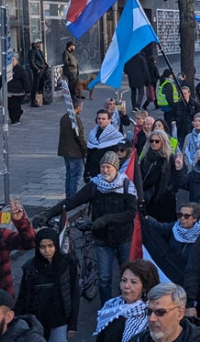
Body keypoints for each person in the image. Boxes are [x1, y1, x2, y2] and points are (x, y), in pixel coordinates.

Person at [45, 150, 138, 301]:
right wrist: (48, 213)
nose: (105, 170)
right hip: (102, 239)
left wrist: (107, 219)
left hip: (123, 238)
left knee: (127, 278)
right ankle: (106, 313)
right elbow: (72, 201)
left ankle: (125, 309)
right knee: (104, 279)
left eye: (109, 167)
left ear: (116, 168)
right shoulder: (95, 185)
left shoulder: (127, 186)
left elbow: (131, 213)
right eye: (103, 167)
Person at [58, 97, 88, 198]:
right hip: (75, 152)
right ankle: (72, 197)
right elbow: (80, 136)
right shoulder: (76, 120)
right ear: (78, 107)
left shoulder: (64, 117)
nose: (82, 109)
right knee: (75, 176)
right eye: (81, 107)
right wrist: (85, 149)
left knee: (69, 175)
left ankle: (68, 195)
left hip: (65, 151)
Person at [85, 108, 126, 180]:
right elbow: (89, 154)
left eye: (103, 119)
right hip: (93, 168)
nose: (101, 121)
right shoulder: (92, 133)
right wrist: (86, 171)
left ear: (109, 120)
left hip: (107, 170)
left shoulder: (115, 135)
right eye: (99, 118)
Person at [6, 55, 32, 124]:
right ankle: (13, 118)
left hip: (18, 92)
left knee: (15, 106)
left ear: (17, 60)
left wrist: (28, 90)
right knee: (10, 106)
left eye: (13, 60)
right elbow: (3, 78)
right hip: (10, 91)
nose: (12, 62)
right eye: (10, 60)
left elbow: (25, 80)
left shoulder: (20, 69)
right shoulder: (8, 69)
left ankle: (16, 119)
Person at [28, 40, 47, 106]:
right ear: (35, 44)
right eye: (38, 43)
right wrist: (37, 69)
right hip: (38, 70)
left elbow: (42, 59)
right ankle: (33, 100)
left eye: (40, 43)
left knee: (41, 85)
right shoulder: (33, 51)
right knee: (35, 85)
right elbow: (32, 62)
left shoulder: (39, 51)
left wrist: (45, 65)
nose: (40, 44)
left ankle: (41, 98)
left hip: (42, 69)